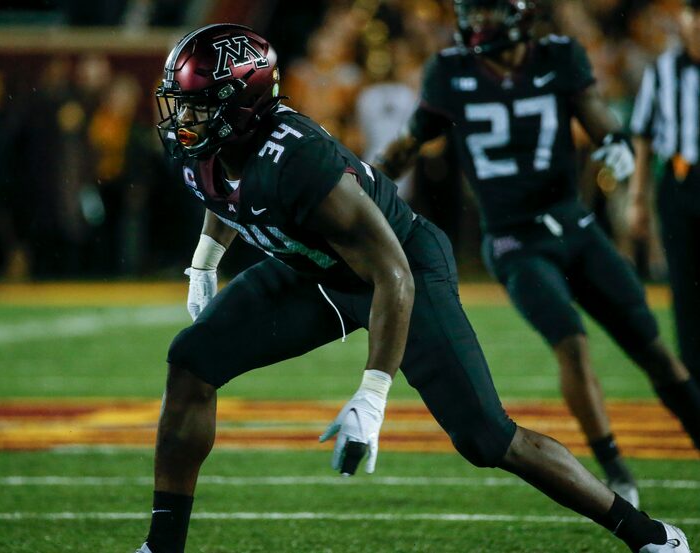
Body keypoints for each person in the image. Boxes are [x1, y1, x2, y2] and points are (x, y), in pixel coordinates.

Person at [133, 22, 691, 553]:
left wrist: (372, 394)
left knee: (487, 438)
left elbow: (392, 272)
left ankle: (648, 533)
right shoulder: (203, 147)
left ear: (243, 103)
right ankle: (162, 545)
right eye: (180, 102)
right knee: (192, 360)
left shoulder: (299, 158)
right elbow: (226, 193)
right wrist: (204, 263)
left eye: (199, 105)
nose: (183, 117)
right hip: (317, 269)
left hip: (403, 268)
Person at [375, 0, 700, 509]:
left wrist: (612, 141)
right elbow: (409, 142)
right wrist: (363, 183)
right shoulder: (451, 70)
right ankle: (615, 466)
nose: (476, 20)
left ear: (521, 14)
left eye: (488, 11)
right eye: (472, 12)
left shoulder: (560, 57)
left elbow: (595, 115)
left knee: (652, 347)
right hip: (512, 239)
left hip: (575, 225)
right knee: (571, 343)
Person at [629, 0, 700, 384]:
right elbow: (643, 134)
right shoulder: (664, 70)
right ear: (685, 22)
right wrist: (638, 198)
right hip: (680, 181)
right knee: (684, 282)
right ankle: (694, 374)